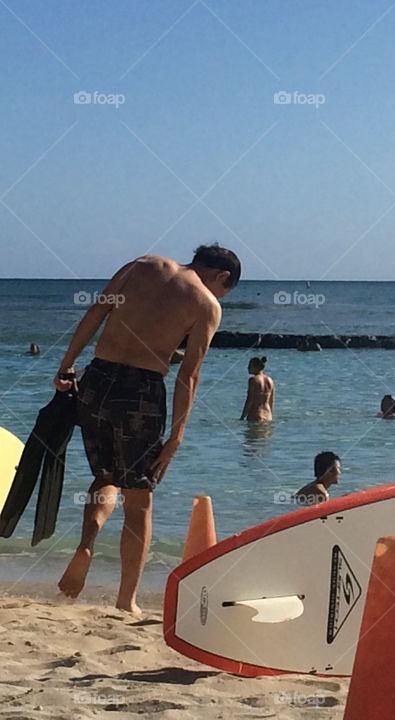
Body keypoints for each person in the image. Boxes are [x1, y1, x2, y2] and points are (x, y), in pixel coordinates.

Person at [54, 245, 240, 614]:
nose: (220, 296)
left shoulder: (144, 264)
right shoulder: (206, 304)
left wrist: (66, 366)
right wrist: (176, 436)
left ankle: (86, 544)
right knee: (139, 500)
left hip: (97, 378)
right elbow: (189, 374)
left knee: (105, 476)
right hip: (140, 391)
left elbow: (97, 312)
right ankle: (127, 601)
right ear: (221, 277)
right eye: (224, 290)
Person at [240, 356, 274, 422]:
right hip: (268, 416)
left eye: (250, 366)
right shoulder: (270, 380)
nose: (248, 368)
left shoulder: (253, 380)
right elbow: (271, 401)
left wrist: (242, 417)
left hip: (256, 416)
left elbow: (249, 400)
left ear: (257, 367)